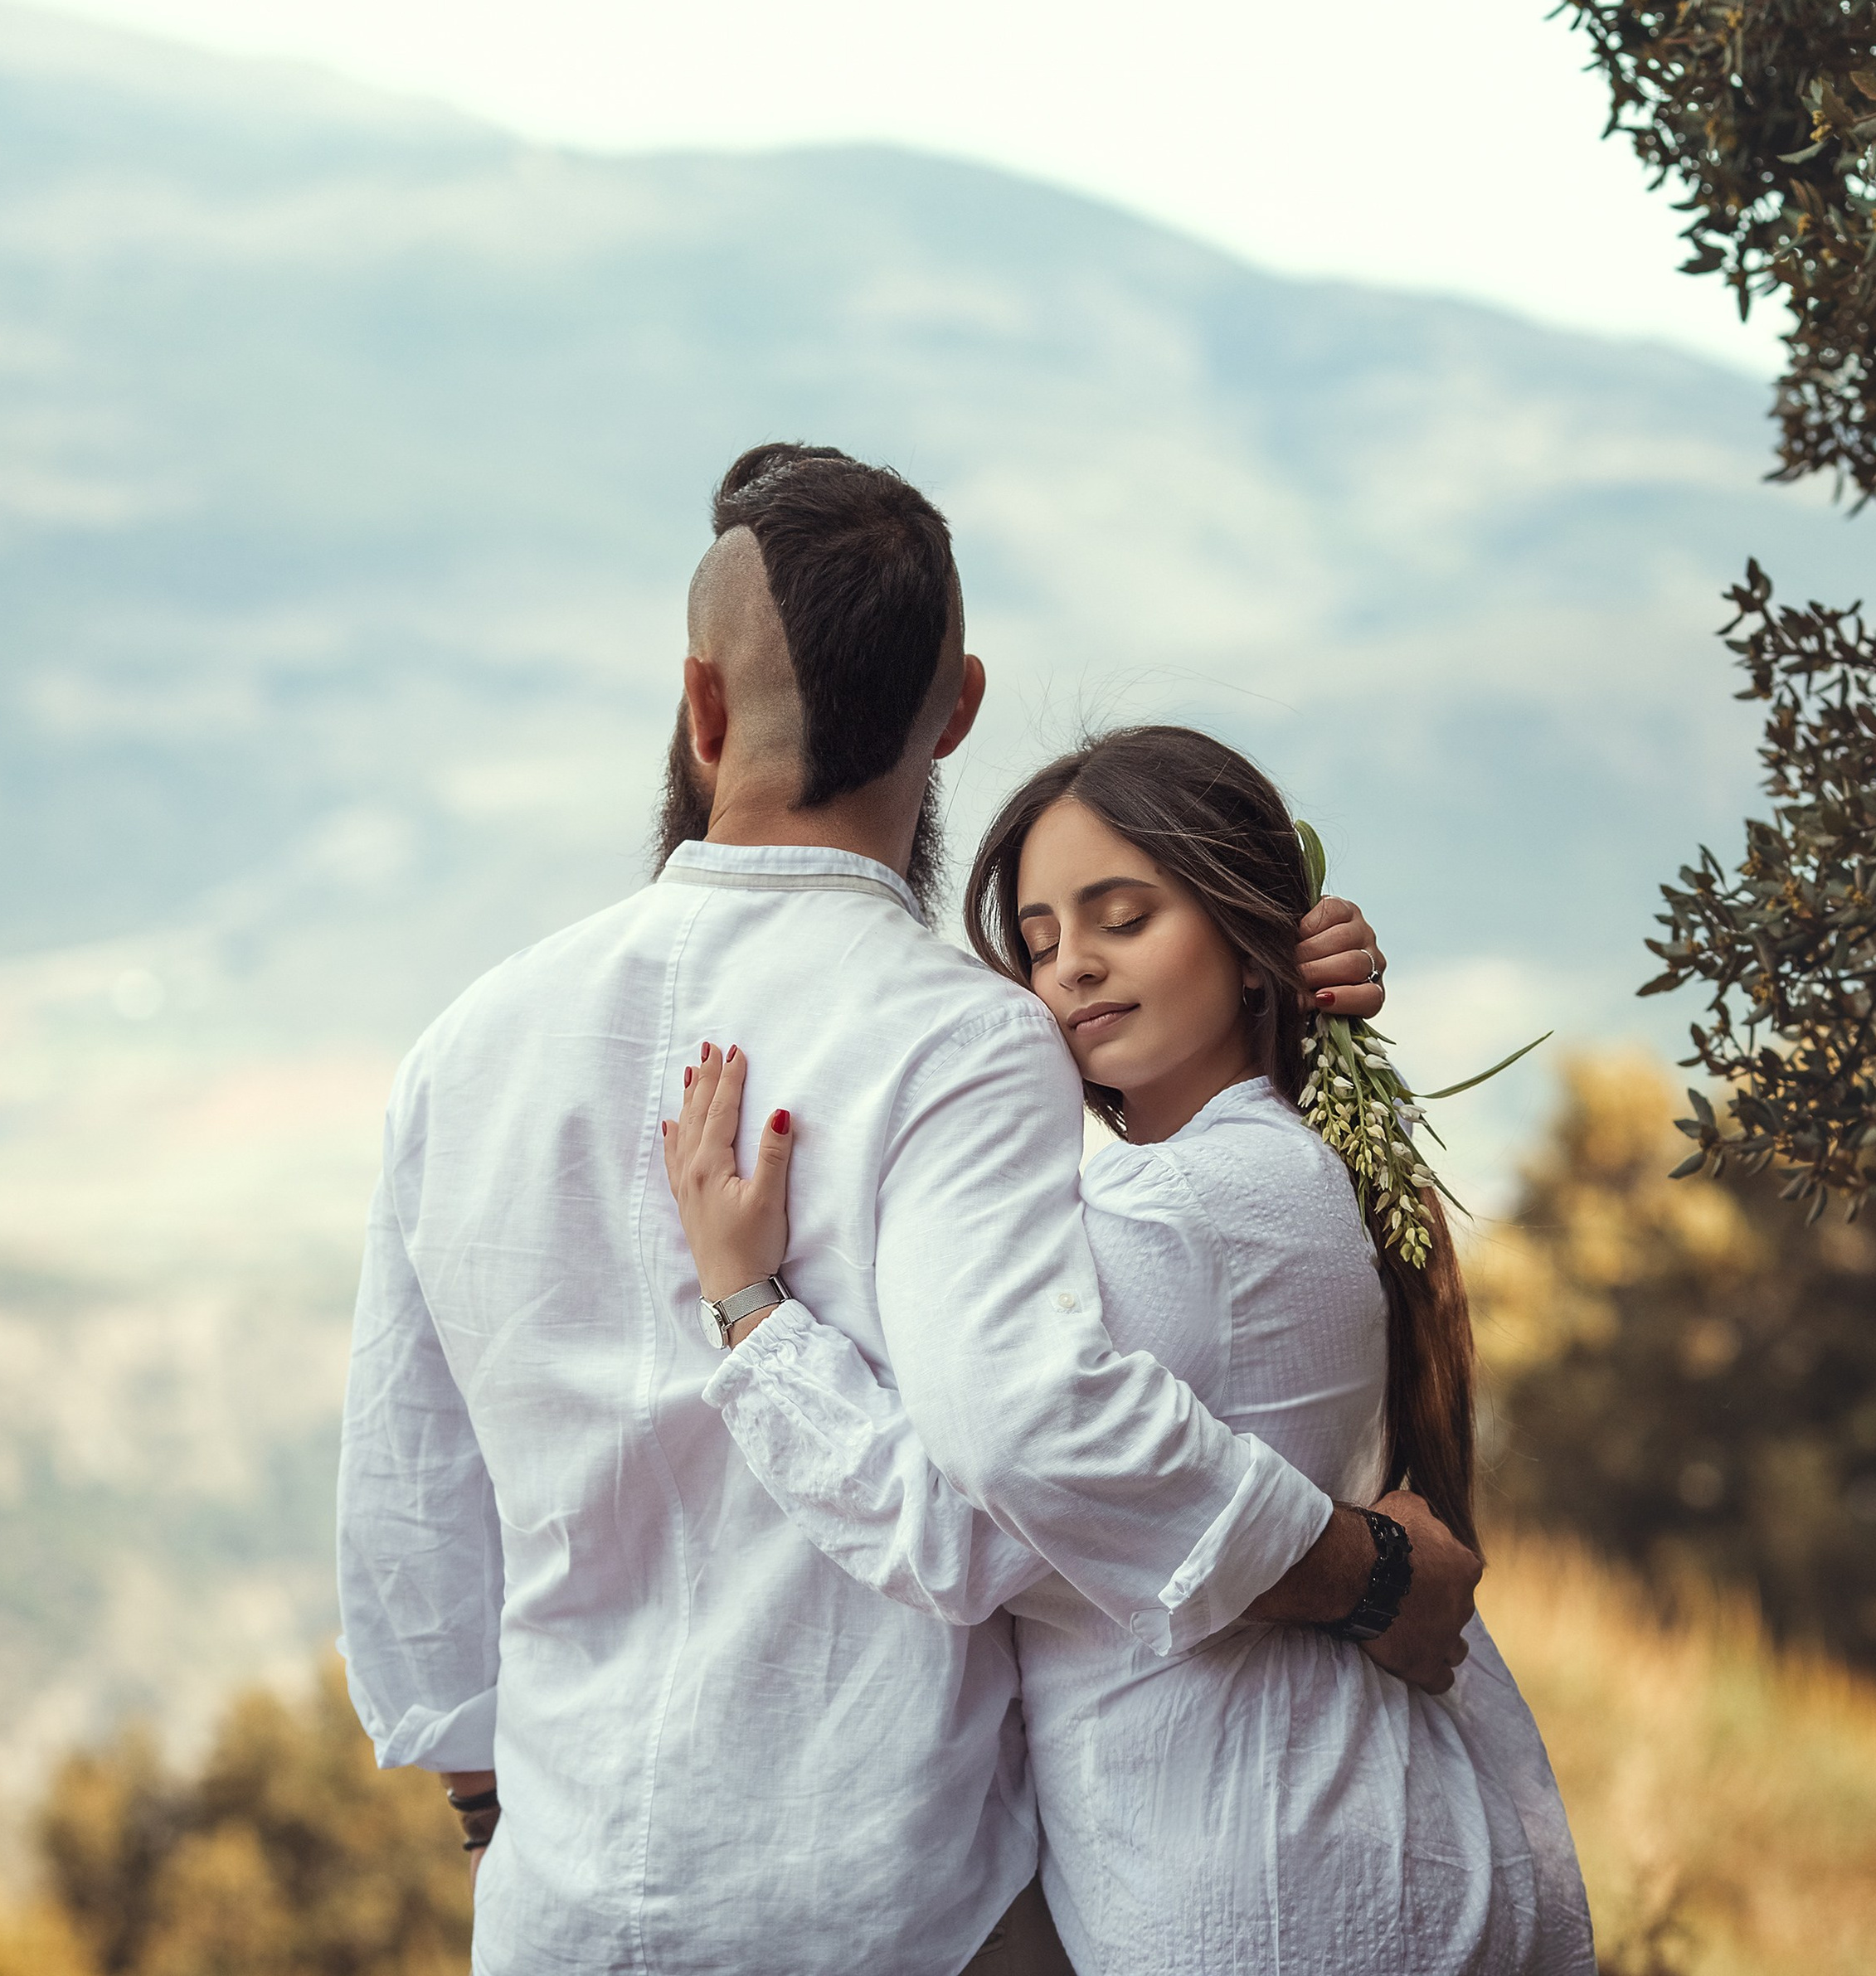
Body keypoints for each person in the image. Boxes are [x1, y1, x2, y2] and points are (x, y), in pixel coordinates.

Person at [335, 444, 1481, 1976]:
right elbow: (1030, 1439)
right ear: (958, 710)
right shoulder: (961, 1038)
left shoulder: (463, 1048)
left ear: (702, 706)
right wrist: (1365, 1576)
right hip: (890, 1902)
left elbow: (410, 1503)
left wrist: (505, 1826)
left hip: (556, 1908)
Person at [661, 725, 1596, 1976]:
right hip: (1333, 1847)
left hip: (1262, 1887)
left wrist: (750, 1311)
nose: (1072, 972)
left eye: (1123, 918)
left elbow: (958, 1529)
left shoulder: (1180, 1212)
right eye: (1040, 943)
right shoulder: (1276, 1168)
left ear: (1245, 935)